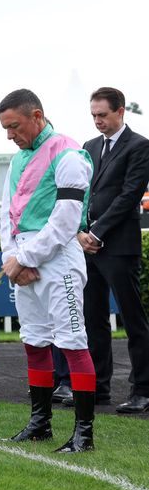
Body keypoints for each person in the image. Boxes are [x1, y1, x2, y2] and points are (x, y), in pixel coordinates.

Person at [0, 88, 96, 453]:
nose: (10, 134)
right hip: (25, 257)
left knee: (72, 340)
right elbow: (8, 215)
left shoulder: (69, 153)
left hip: (58, 260)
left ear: (36, 116)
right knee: (34, 340)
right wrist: (13, 257)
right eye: (5, 128)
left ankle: (84, 433)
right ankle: (40, 423)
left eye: (14, 126)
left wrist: (25, 259)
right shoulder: (18, 159)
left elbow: (67, 220)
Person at [79, 87, 149, 414]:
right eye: (93, 115)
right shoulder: (89, 147)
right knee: (93, 318)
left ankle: (143, 390)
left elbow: (129, 195)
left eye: (103, 115)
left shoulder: (139, 146)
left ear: (120, 112)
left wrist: (97, 232)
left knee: (132, 320)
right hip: (88, 247)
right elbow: (81, 194)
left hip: (119, 246)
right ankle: (98, 386)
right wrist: (81, 231)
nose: (97, 121)